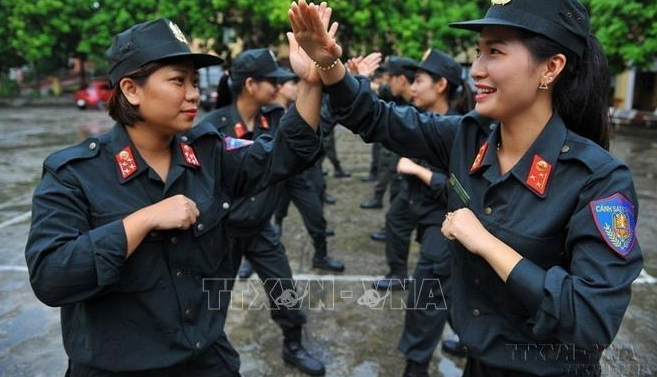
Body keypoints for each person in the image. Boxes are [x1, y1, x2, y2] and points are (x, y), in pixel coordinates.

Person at [288, 0, 643, 376]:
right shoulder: (468, 136)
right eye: (478, 51)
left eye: (495, 52)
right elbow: (375, 118)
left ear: (551, 67)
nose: (476, 70)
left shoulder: (598, 179)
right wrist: (328, 63)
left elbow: (590, 320)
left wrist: (485, 242)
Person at [25, 18, 324, 376]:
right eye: (178, 80)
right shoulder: (74, 174)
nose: (194, 94)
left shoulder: (208, 153)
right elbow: (51, 277)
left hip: (205, 359)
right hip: (119, 368)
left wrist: (311, 80)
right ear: (131, 90)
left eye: (195, 82)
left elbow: (286, 152)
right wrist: (142, 220)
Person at [202, 49, 325, 375]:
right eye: (271, 80)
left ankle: (294, 345)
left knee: (283, 286)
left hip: (260, 228)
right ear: (250, 84)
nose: (277, 86)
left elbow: (303, 142)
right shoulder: (214, 127)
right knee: (212, 298)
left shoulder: (275, 117)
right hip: (224, 232)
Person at [390, 48, 475, 376]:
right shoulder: (424, 122)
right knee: (449, 289)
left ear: (440, 85)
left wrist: (419, 172)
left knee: (427, 293)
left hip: (449, 223)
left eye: (419, 81)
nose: (412, 87)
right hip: (422, 213)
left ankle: (416, 366)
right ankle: (472, 340)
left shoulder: (462, 132)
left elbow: (463, 192)